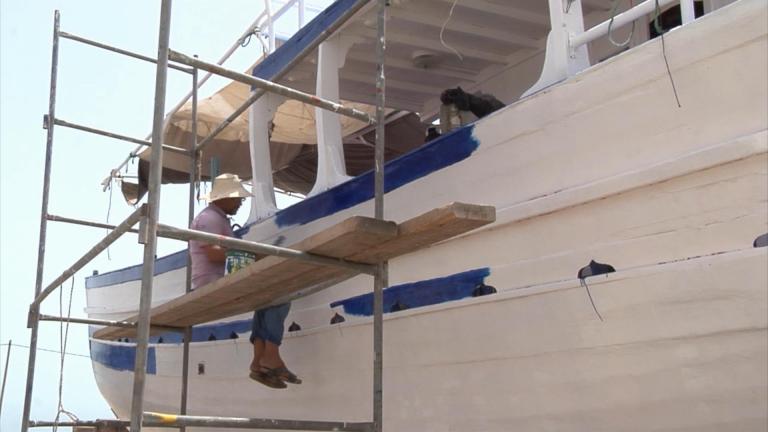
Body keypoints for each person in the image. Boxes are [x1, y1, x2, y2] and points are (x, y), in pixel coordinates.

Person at [189, 173, 301, 389]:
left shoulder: (216, 218)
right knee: (281, 292)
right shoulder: (210, 218)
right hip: (213, 282)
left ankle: (260, 360)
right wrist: (254, 255)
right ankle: (270, 355)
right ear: (225, 197)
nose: (241, 202)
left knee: (266, 299)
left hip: (218, 279)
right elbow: (213, 254)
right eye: (238, 198)